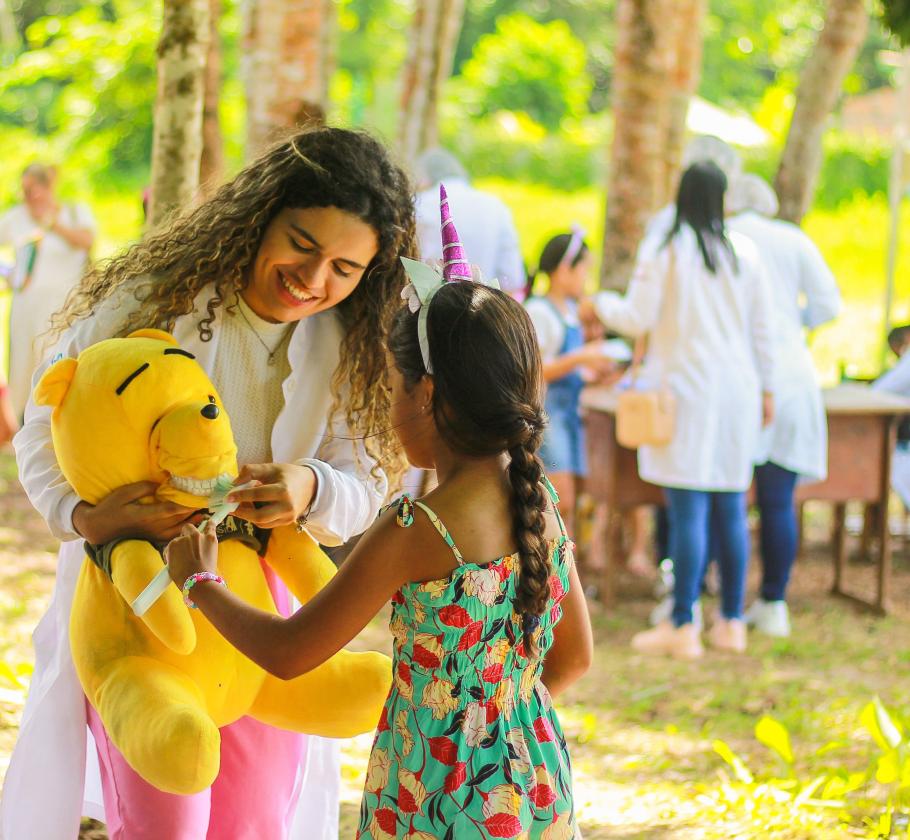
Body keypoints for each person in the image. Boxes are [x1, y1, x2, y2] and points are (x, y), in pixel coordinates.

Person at [5, 127, 416, 840]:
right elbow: (50, 418)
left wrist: (310, 488)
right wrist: (82, 516)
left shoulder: (351, 346)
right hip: (139, 609)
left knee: (252, 823)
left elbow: (365, 483)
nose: (315, 280)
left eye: (346, 268)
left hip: (260, 620)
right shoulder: (154, 297)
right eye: (303, 244)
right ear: (261, 216)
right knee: (166, 819)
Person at [164, 195, 593, 837]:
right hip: (530, 785)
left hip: (436, 795)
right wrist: (496, 730)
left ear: (426, 394)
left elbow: (289, 652)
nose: (391, 408)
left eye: (394, 387)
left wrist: (199, 582)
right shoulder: (539, 504)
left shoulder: (418, 529)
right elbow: (573, 659)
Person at [583, 162, 775, 659]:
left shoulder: (666, 248)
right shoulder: (746, 254)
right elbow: (763, 332)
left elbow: (637, 316)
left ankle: (683, 623)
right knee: (730, 504)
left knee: (688, 506)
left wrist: (600, 302)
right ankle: (731, 621)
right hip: (738, 392)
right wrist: (768, 390)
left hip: (685, 392)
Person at [727, 174, 841, 637]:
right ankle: (774, 601)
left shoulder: (726, 238)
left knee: (727, 495)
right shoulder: (793, 239)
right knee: (778, 500)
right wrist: (798, 326)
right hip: (792, 375)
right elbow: (829, 304)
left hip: (741, 376)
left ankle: (722, 602)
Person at [525, 228, 617, 538]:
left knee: (572, 500)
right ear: (563, 270)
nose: (585, 278)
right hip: (548, 417)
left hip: (570, 417)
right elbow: (533, 371)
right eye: (583, 270)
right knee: (557, 498)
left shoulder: (573, 312)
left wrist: (595, 371)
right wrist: (581, 358)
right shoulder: (540, 311)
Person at [0, 163, 96, 418]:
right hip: (26, 307)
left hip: (66, 306)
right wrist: (10, 275)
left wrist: (52, 225)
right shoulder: (16, 217)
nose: (30, 196)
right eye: (25, 190)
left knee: (59, 362)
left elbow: (87, 241)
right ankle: (22, 423)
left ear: (48, 187)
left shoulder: (75, 212)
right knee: (22, 366)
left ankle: (60, 421)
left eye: (34, 189)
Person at [414, 147, 526, 297]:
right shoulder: (496, 207)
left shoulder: (419, 203)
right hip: (482, 309)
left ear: (424, 179)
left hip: (427, 310)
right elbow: (512, 279)